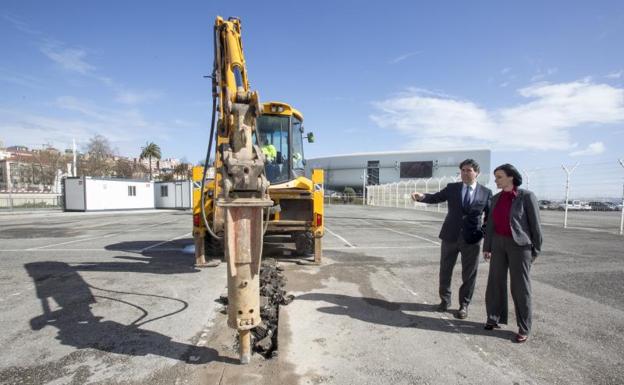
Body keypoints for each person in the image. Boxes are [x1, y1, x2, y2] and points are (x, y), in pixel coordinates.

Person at [411, 159, 492, 319]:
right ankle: (444, 301)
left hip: (472, 239)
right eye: (462, 170)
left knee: (469, 274)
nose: (464, 173)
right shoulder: (452, 188)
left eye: (468, 170)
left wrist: (482, 234)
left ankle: (464, 305)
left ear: (477, 173)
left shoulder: (486, 192)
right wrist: (421, 197)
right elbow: (435, 197)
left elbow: (489, 218)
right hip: (450, 236)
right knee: (445, 270)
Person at [482, 163, 542, 343]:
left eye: (499, 177)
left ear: (511, 177)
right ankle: (493, 318)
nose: (496, 180)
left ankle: (524, 327)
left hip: (520, 246)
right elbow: (490, 224)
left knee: (520, 287)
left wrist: (535, 250)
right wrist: (487, 246)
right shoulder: (496, 198)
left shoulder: (526, 197)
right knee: (495, 282)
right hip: (498, 243)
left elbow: (535, 227)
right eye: (495, 177)